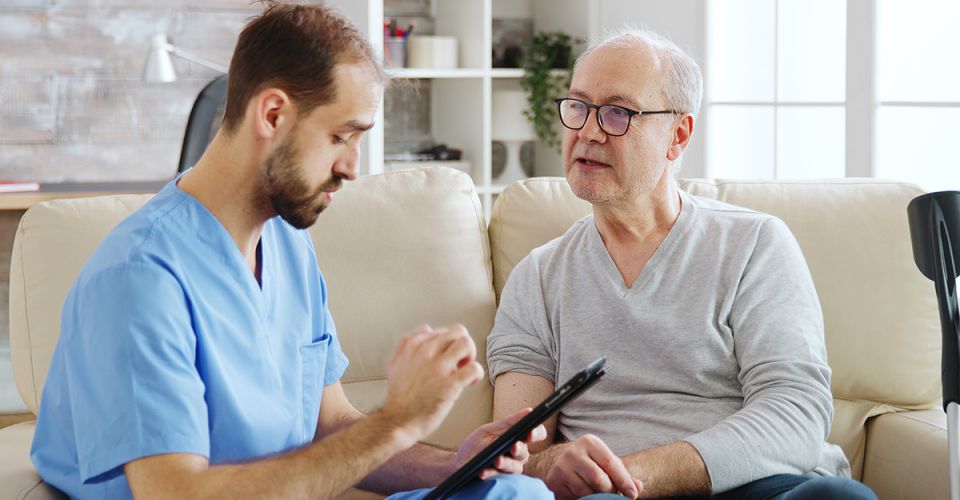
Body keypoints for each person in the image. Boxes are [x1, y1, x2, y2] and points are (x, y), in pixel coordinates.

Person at [30, 4, 553, 499]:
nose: (352, 166)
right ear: (273, 114)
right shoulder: (138, 277)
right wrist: (398, 421)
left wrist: (457, 464)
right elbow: (175, 492)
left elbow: (333, 428)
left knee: (514, 491)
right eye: (341, 136)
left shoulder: (287, 244)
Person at [487, 28, 878, 500]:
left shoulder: (754, 243)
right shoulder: (537, 277)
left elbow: (795, 413)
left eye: (617, 112)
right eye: (578, 107)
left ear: (678, 134)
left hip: (757, 486)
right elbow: (514, 454)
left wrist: (638, 473)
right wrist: (551, 467)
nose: (588, 131)